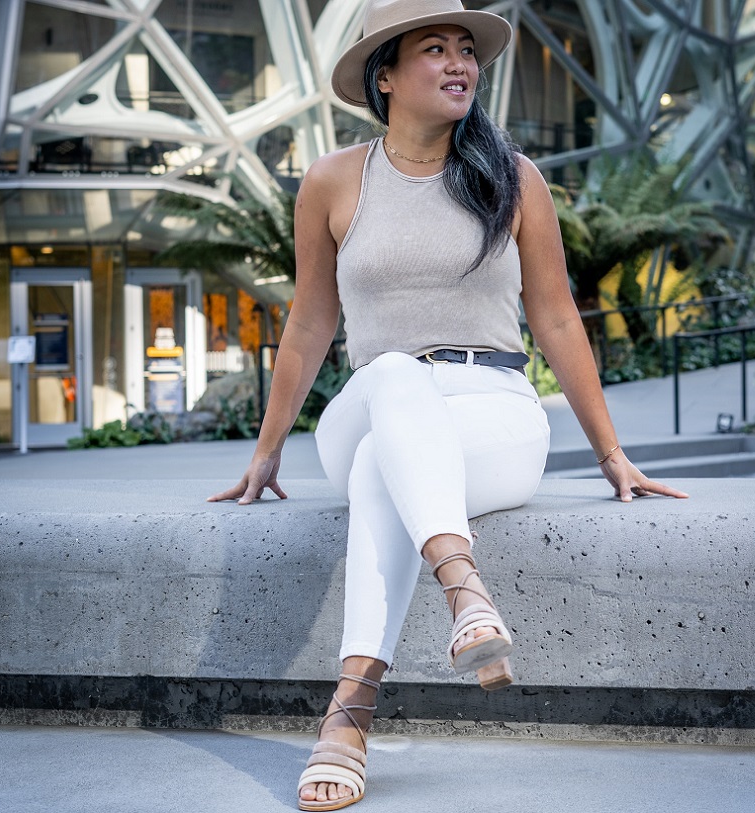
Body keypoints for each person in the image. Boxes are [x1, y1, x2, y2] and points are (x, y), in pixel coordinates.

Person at [208, 1, 689, 809]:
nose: (460, 63)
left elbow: (559, 316)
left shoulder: (515, 177)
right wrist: (266, 451)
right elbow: (309, 323)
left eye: (467, 49)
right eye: (436, 49)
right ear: (385, 77)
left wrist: (612, 455)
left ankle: (349, 713)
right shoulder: (333, 180)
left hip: (493, 407)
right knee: (395, 379)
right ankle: (464, 589)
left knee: (379, 473)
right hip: (373, 397)